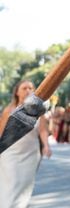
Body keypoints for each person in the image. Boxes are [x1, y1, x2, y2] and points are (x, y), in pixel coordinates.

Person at [0, 80, 52, 208]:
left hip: (31, 154)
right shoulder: (9, 110)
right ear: (17, 92)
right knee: (12, 184)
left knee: (24, 186)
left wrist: (46, 145)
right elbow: (1, 132)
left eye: (31, 88)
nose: (28, 90)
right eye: (24, 88)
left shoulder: (39, 111)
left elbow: (43, 131)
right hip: (10, 153)